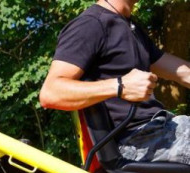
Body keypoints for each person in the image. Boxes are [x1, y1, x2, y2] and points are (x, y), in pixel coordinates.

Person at [39, 0, 190, 164]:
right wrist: (119, 86)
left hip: (163, 128)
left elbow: (182, 72)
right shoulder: (91, 24)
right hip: (135, 142)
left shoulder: (131, 28)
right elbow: (50, 93)